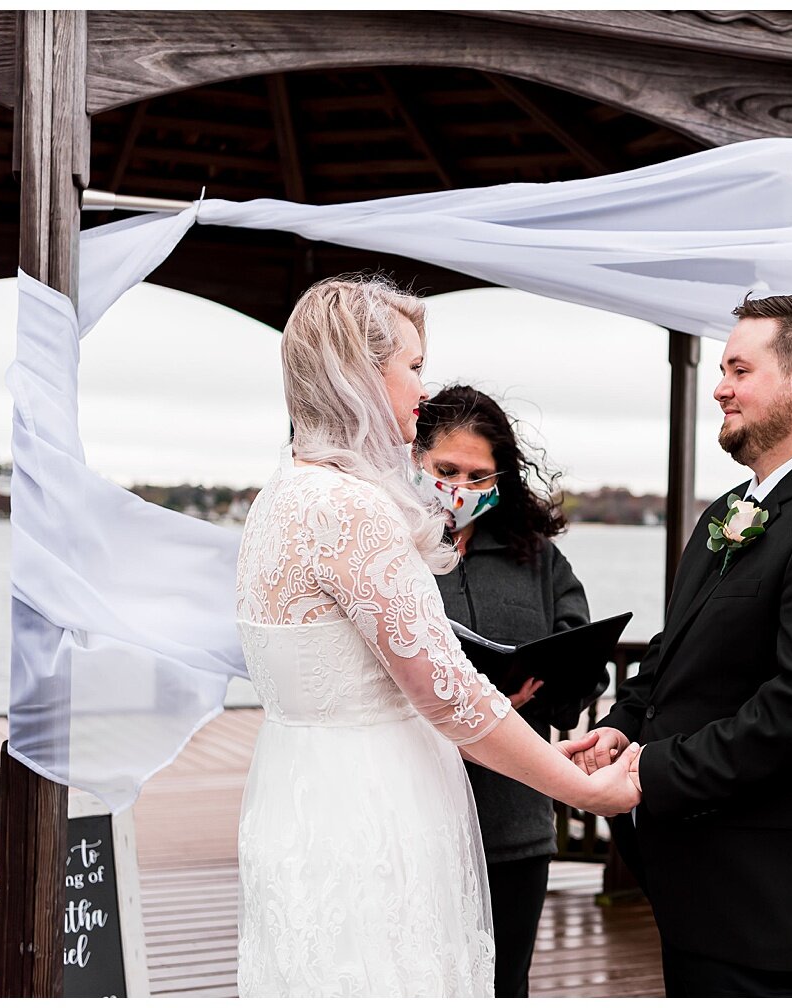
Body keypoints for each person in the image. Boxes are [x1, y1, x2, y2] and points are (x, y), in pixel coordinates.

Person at [233, 276, 640, 997]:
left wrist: (544, 747)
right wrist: (583, 789)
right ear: (360, 369)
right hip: (374, 817)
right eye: (414, 367)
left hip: (301, 801)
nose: (424, 389)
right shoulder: (352, 512)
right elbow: (453, 702)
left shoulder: (282, 493)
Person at [560, 294, 792, 996]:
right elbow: (677, 648)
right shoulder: (730, 511)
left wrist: (647, 774)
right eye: (722, 369)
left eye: (738, 369)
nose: (720, 386)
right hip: (711, 899)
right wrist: (620, 728)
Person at [413, 384, 594, 998]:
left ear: (502, 479)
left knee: (505, 985)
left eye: (478, 475)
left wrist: (534, 694)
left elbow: (579, 665)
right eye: (445, 470)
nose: (461, 487)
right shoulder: (387, 551)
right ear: (414, 459)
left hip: (515, 825)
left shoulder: (536, 558)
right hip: (415, 823)